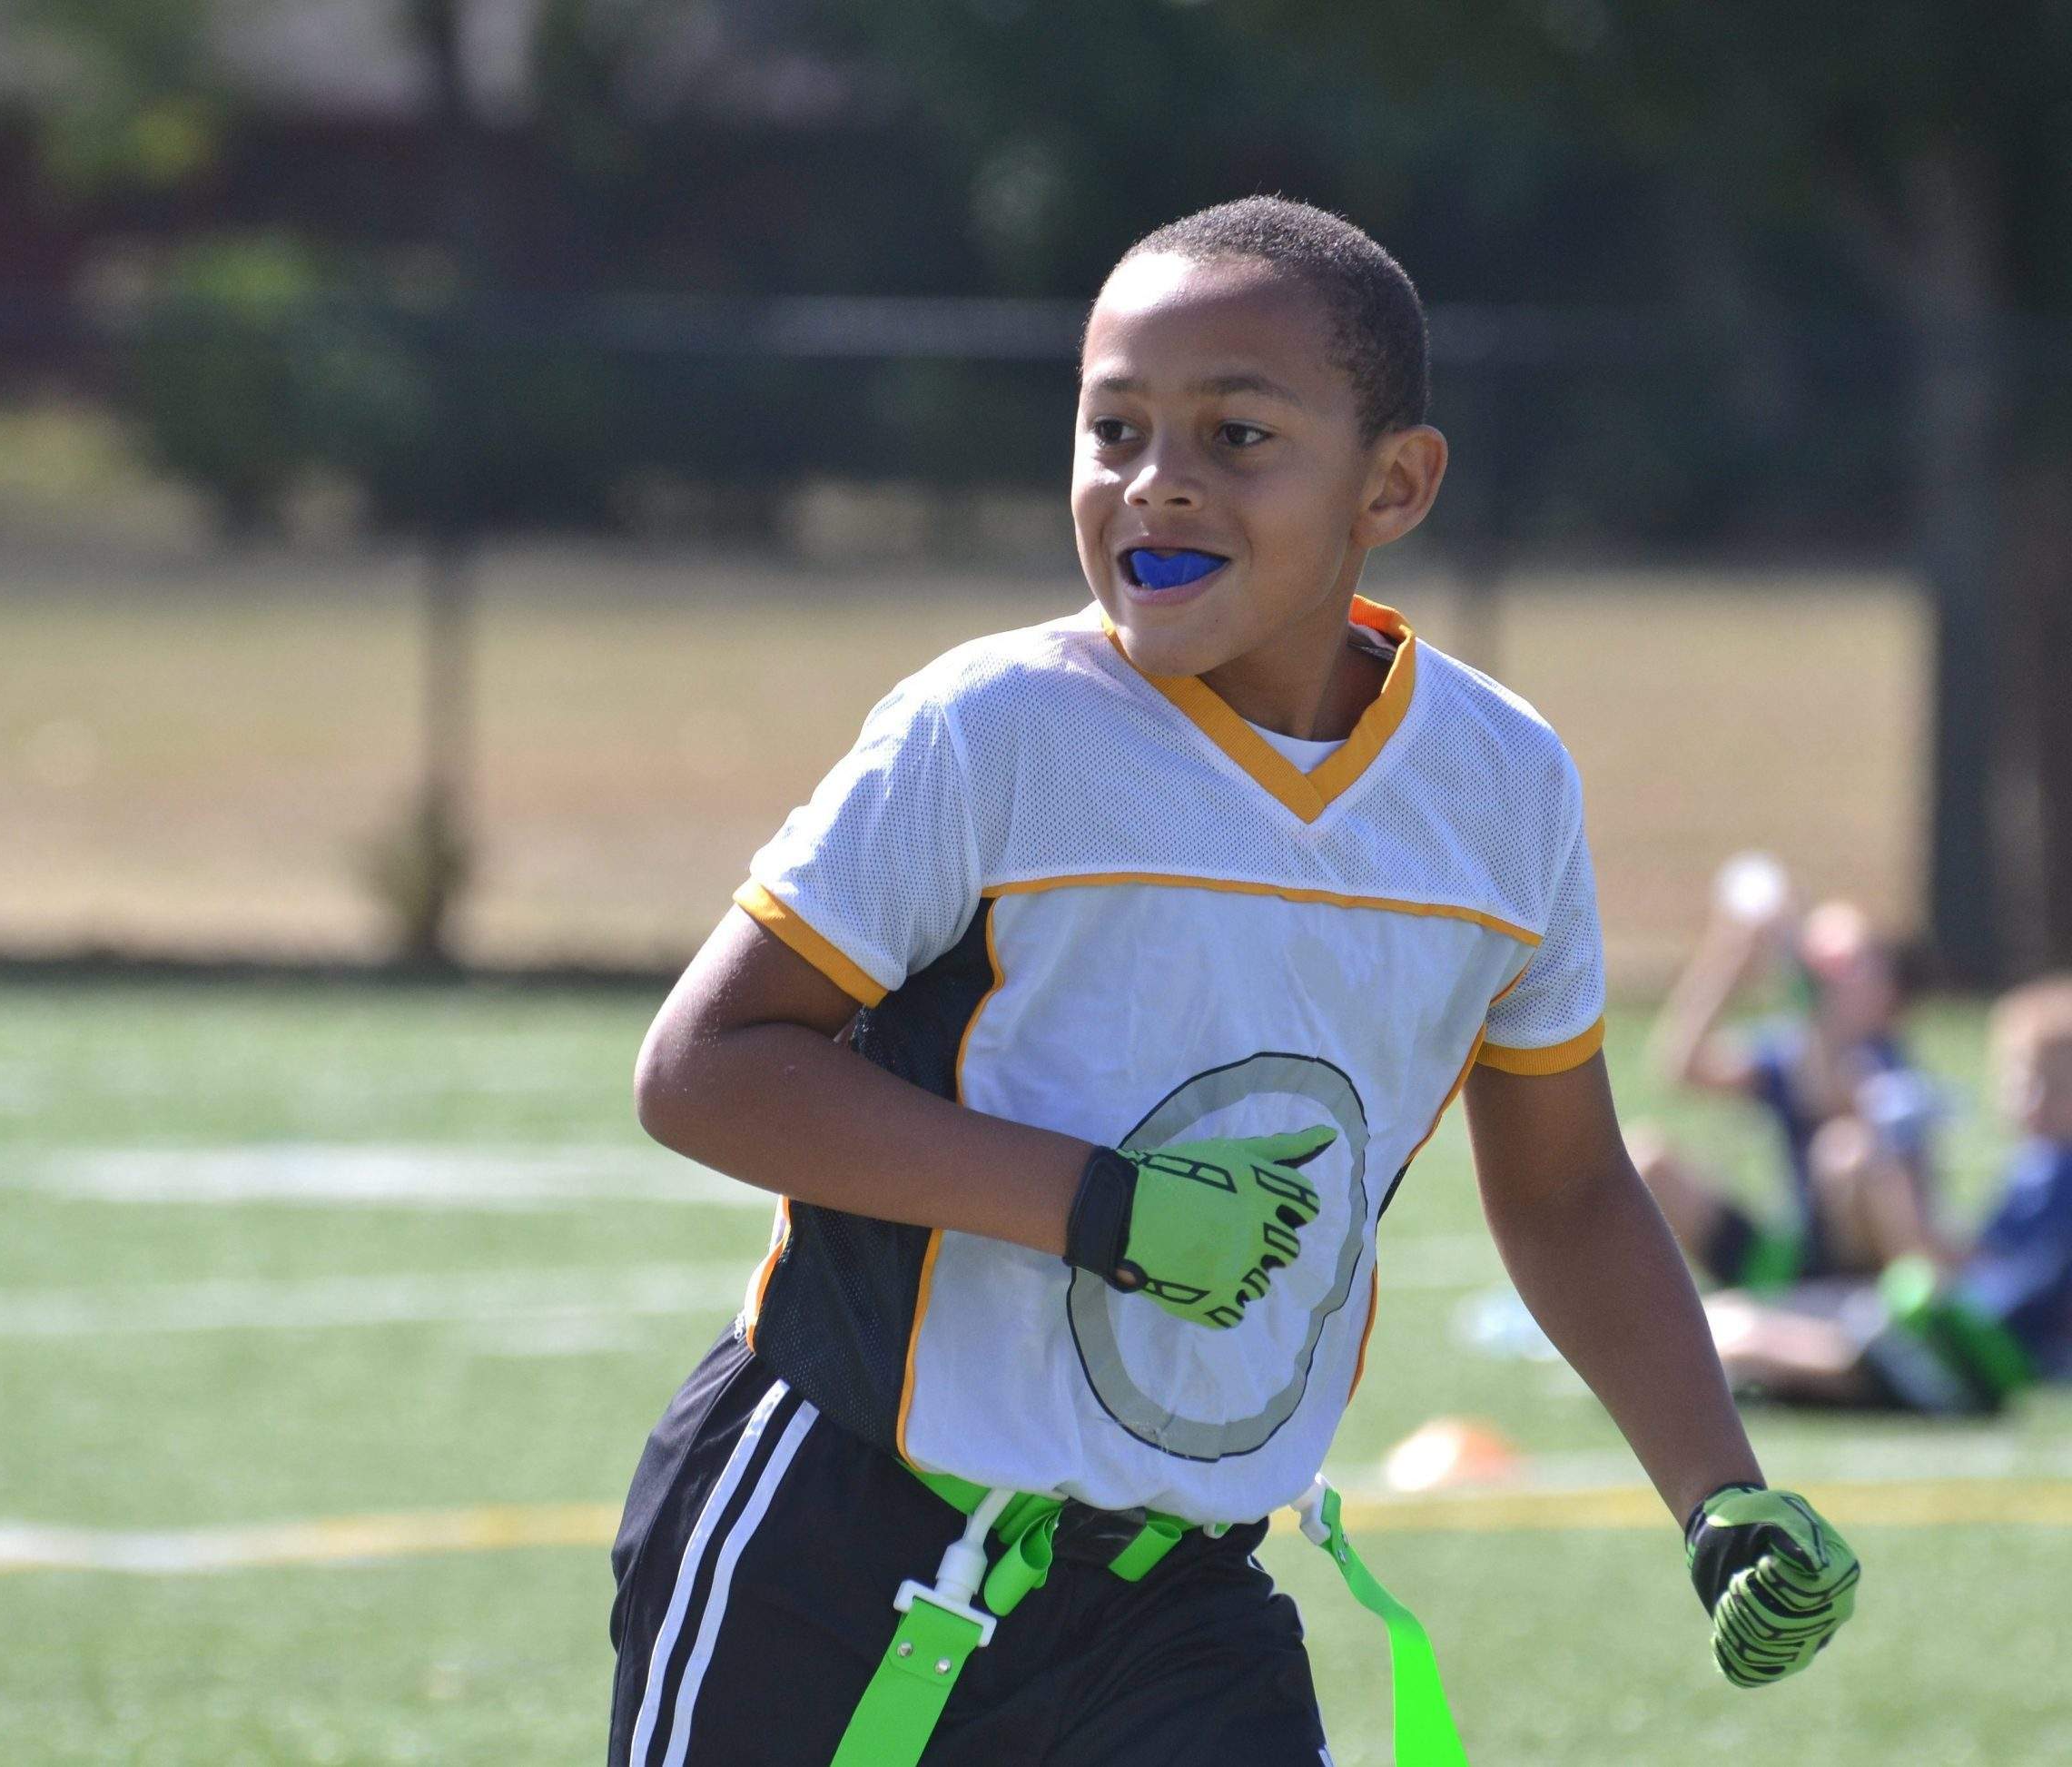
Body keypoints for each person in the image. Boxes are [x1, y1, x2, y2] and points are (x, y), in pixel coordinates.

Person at [613, 196, 1860, 1767]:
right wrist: (1100, 1205)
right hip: (835, 1537)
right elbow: (707, 1065)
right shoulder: (991, 730)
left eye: (1238, 433)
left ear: (1393, 483)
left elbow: (1567, 1192)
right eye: (1113, 427)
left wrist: (1714, 1487)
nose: (1157, 479)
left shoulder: (1503, 789)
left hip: (1175, 1599)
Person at [1709, 976, 2072, 1414]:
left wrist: (1897, 1180)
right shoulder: (2039, 1165)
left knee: (1741, 1334)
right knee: (1741, 1324)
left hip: (1967, 1359)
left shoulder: (2054, 1172)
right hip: (1960, 1347)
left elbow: (1997, 1296)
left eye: (2038, 1082)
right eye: (2016, 1079)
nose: (2019, 1097)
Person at [1630, 882, 1945, 1291]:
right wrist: (1730, 961)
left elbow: (1836, 1099)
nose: (1826, 976)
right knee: (1646, 1161)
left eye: (1848, 963)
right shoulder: (1792, 1048)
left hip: (1865, 1269)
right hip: (1796, 1256)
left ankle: (1897, 1314)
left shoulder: (1886, 1057)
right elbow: (1681, 1068)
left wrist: (1809, 1000)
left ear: (1886, 990)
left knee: (1847, 1151)